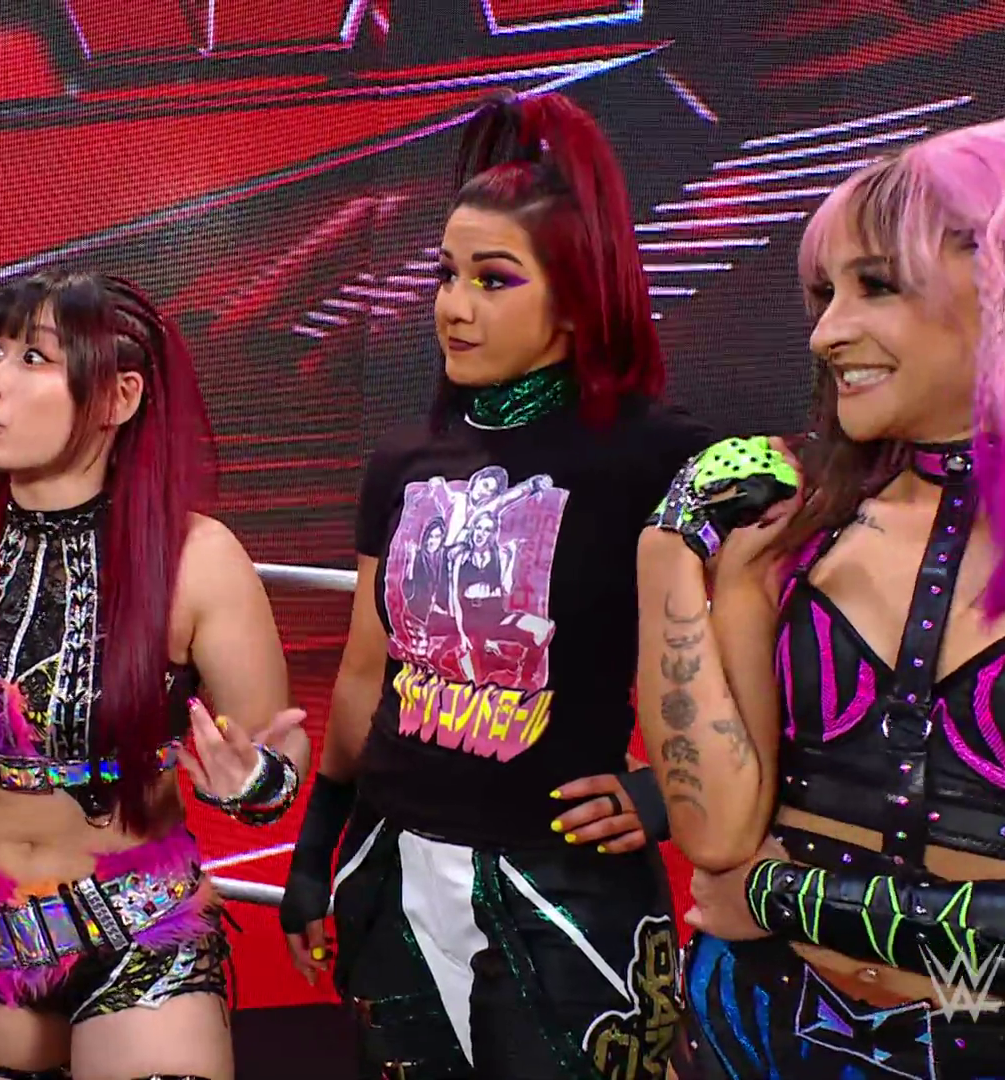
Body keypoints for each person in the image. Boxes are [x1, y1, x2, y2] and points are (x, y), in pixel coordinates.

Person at [640, 114, 1005, 1079]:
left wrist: (786, 900)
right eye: (824, 294)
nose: (826, 333)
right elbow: (716, 834)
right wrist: (666, 552)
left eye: (876, 285)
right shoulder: (802, 523)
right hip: (756, 1030)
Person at [277, 90, 715, 1080]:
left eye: (493, 279)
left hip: (567, 898)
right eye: (446, 273)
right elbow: (365, 674)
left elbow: (788, 646)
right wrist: (315, 854)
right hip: (390, 876)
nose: (454, 305)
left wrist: (665, 796)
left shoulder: (661, 457)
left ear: (577, 299)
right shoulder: (404, 460)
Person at [0, 269, 309, 1080]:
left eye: (33, 358)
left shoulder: (198, 558)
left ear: (119, 397)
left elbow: (277, 760)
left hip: (141, 927)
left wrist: (249, 779)